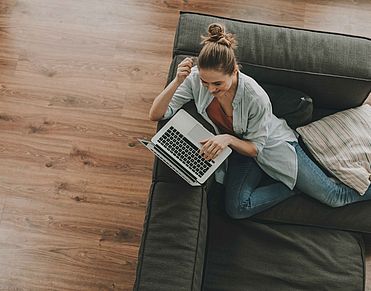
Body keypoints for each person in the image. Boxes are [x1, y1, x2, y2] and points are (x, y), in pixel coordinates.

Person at [149, 23, 371, 218]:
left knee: (334, 196)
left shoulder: (255, 97)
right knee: (237, 208)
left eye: (217, 83)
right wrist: (178, 81)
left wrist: (226, 138)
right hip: (239, 152)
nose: (210, 89)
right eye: (206, 83)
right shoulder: (197, 78)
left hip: (271, 147)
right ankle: (298, 187)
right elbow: (156, 114)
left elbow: (256, 148)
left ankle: (302, 184)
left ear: (234, 71)